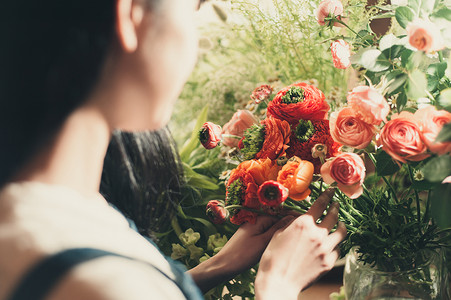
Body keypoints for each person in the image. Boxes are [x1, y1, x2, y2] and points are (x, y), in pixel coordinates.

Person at [0, 0, 347, 299]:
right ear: (132, 15)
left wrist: (217, 267)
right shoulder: (102, 281)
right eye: (192, 9)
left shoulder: (44, 210)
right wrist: (278, 286)